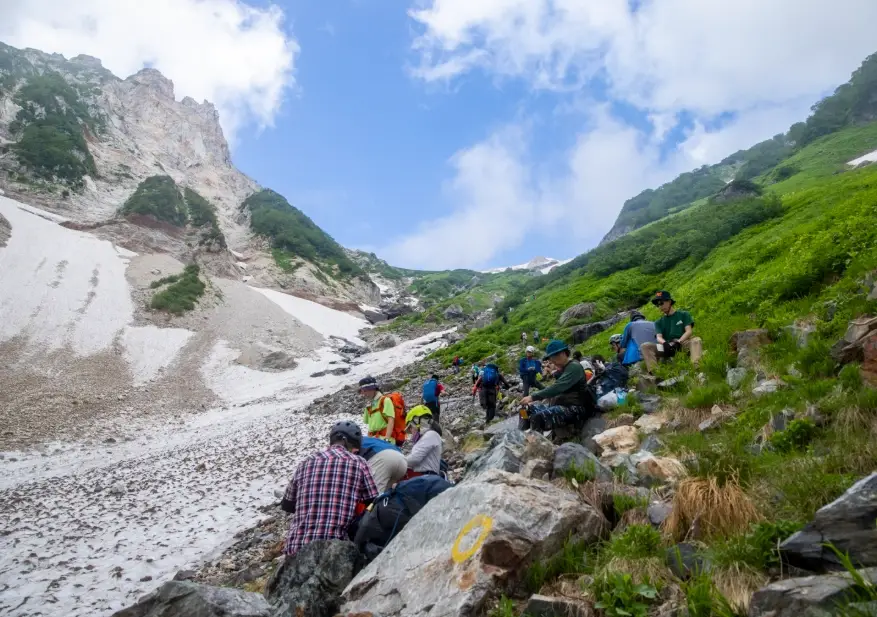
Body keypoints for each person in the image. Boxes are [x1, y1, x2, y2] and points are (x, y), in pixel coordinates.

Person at [281, 421, 378, 555]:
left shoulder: (306, 462)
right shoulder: (359, 463)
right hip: (333, 551)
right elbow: (373, 502)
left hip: (295, 549)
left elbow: (287, 505)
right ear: (352, 445)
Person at [520, 340, 597, 432]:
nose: (552, 360)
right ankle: (521, 434)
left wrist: (533, 397)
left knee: (538, 418)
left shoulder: (574, 367)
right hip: (562, 405)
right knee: (525, 410)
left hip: (575, 408)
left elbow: (558, 387)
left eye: (554, 356)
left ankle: (535, 443)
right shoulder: (564, 369)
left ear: (564, 353)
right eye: (551, 358)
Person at [640, 291, 703, 370]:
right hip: (667, 347)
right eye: (657, 305)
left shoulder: (684, 314)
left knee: (696, 340)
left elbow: (689, 331)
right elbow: (659, 337)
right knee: (645, 346)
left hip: (682, 343)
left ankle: (696, 368)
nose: (660, 306)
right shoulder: (658, 322)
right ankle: (655, 374)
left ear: (669, 301)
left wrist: (678, 341)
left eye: (661, 303)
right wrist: (665, 343)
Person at [403, 405, 443, 478]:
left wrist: (398, 461)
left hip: (426, 478)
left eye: (411, 427)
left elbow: (414, 459)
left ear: (417, 422)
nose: (411, 431)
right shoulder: (426, 436)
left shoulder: (430, 435)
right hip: (423, 477)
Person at [359, 377, 399, 445]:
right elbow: (366, 421)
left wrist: (387, 439)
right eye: (362, 391)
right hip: (373, 440)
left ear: (373, 389)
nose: (363, 394)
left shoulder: (385, 400)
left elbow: (391, 420)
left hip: (384, 440)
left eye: (365, 391)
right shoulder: (369, 404)